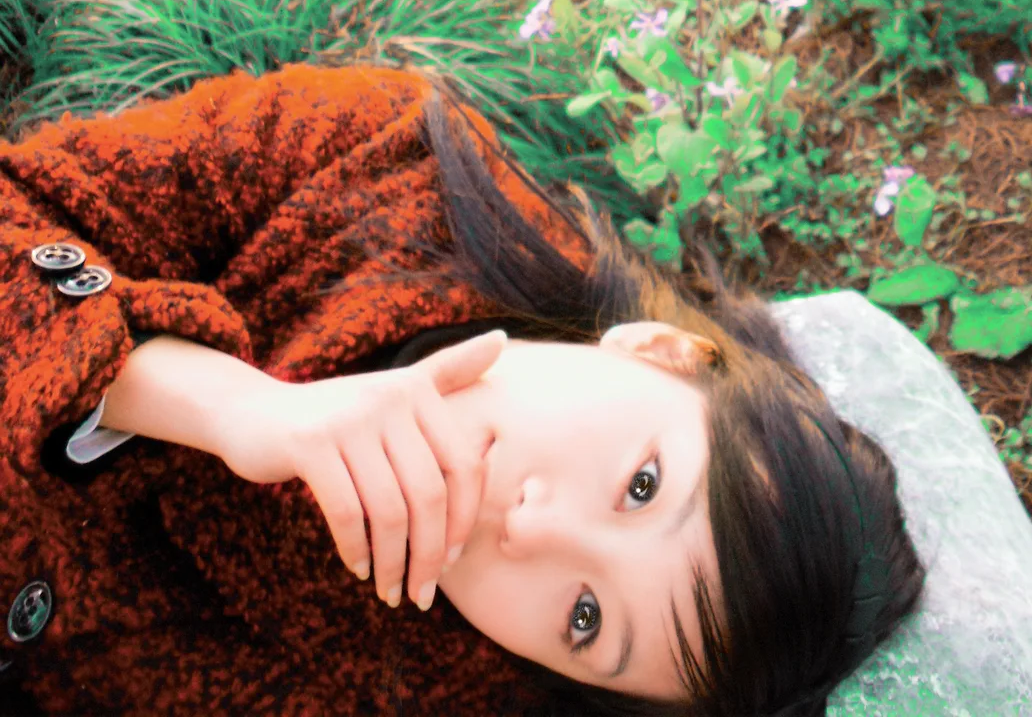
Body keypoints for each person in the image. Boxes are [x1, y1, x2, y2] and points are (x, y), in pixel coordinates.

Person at [0, 59, 925, 716]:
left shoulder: (446, 687)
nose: (530, 530)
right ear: (663, 352)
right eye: (642, 487)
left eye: (585, 618)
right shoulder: (392, 157)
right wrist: (224, 404)